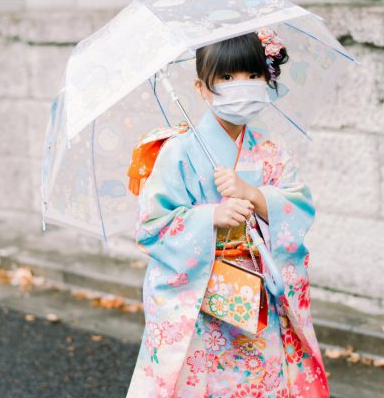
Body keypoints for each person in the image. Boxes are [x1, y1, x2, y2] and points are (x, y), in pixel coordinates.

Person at [125, 29, 330, 398]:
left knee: (261, 383)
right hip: (203, 298)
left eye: (252, 75)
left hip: (258, 295)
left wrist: (254, 194)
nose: (242, 85)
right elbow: (151, 227)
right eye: (227, 77)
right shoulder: (178, 151)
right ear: (202, 87)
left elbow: (300, 206)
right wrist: (210, 218)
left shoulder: (270, 149)